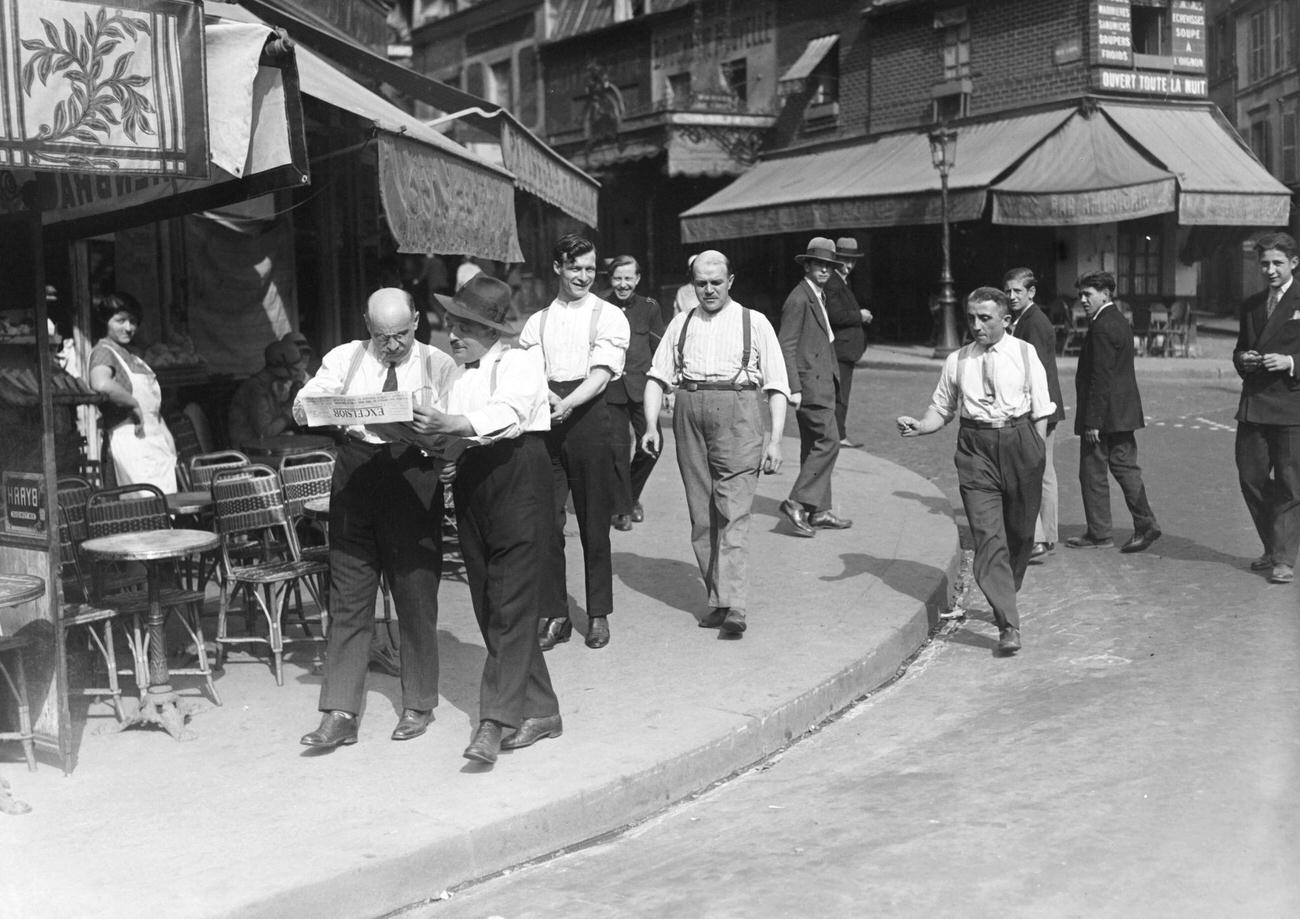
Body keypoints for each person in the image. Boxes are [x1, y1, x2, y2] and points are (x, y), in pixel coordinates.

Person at [410, 275, 562, 764]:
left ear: (493, 330)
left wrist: (451, 425)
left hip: (520, 476)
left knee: (513, 604)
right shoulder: (459, 373)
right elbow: (451, 436)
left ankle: (494, 721)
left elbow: (508, 414)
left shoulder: (520, 362)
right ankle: (542, 711)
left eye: (466, 325)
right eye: (452, 323)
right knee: (489, 602)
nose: (453, 334)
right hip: (475, 483)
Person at [294, 288, 454, 749]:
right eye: (382, 336)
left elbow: (459, 422)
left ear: (417, 322)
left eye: (401, 335)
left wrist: (433, 426)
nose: (392, 346)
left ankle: (418, 702)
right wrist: (325, 410)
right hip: (356, 474)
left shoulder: (437, 364)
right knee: (348, 597)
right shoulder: (345, 358)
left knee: (415, 596)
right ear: (368, 326)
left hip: (412, 475)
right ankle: (340, 712)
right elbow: (303, 404)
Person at [896, 287, 1056, 655]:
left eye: (985, 318)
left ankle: (1006, 588)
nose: (976, 325)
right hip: (974, 449)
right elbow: (942, 408)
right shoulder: (958, 360)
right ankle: (1008, 623)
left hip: (1020, 442)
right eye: (971, 318)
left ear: (1006, 320)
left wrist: (1035, 454)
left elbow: (1042, 409)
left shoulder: (1025, 354)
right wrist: (921, 426)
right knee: (989, 537)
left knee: (1019, 534)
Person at [642, 250, 789, 636]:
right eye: (701, 283)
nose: (708, 290)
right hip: (689, 411)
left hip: (738, 410)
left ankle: (735, 605)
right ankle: (718, 600)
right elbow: (658, 376)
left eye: (716, 282)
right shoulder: (681, 323)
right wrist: (652, 425)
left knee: (733, 511)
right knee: (702, 513)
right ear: (693, 284)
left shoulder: (754, 323)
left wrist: (775, 440)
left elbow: (776, 385)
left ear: (730, 282)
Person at [518, 234, 630, 651]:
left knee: (593, 522)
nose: (583, 276)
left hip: (588, 419)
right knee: (546, 522)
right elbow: (529, 370)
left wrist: (567, 402)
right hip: (547, 422)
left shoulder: (609, 316)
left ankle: (598, 613)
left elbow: (602, 373)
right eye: (574, 268)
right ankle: (556, 614)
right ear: (557, 268)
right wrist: (548, 398)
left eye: (589, 269)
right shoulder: (537, 321)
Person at [1066, 270, 1161, 553]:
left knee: (1092, 473)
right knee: (1125, 468)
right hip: (1122, 414)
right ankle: (1145, 523)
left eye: (1088, 294)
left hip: (1103, 417)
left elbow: (1101, 376)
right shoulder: (1117, 320)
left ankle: (1099, 534)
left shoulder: (1102, 326)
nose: (1082, 299)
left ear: (1106, 293)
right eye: (1080, 294)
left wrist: (1092, 421)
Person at [1233, 231, 1300, 584]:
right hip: (1255, 404)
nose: (1270, 270)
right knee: (1251, 478)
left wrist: (1290, 361)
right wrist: (1243, 358)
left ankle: (1283, 558)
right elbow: (1239, 349)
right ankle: (1275, 544)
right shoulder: (1252, 304)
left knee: (1290, 484)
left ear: (1294, 263)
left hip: (1291, 406)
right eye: (1264, 263)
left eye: (1277, 263)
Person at [778, 237, 851, 536]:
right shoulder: (799, 298)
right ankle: (797, 502)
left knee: (813, 446)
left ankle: (819, 511)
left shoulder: (816, 295)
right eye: (818, 264)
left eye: (829, 266)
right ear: (807, 265)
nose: (824, 270)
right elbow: (786, 345)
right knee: (828, 441)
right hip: (810, 385)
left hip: (821, 382)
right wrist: (793, 387)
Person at [87, 292, 179, 494]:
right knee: (143, 510)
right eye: (120, 320)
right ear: (105, 321)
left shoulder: (132, 356)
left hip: (155, 446)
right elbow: (100, 383)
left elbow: (153, 409)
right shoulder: (103, 352)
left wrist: (168, 440)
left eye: (133, 322)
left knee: (167, 511)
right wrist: (133, 403)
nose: (128, 328)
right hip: (131, 446)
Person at [1005, 268, 1065, 561]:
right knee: (1044, 472)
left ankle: (1039, 538)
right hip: (1044, 407)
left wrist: (1030, 410)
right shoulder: (1026, 320)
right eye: (1008, 291)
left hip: (1038, 409)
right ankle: (1047, 536)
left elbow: (1036, 373)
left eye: (1018, 291)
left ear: (1031, 292)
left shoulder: (1034, 323)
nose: (1011, 296)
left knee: (1033, 473)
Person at [603, 255, 666, 530]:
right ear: (610, 279)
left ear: (638, 279)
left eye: (628, 278)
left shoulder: (649, 308)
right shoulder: (601, 307)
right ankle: (623, 509)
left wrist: (666, 386)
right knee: (617, 451)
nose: (623, 284)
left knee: (654, 445)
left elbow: (659, 350)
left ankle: (630, 495)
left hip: (643, 389)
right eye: (618, 278)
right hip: (611, 390)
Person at [824, 237, 873, 449]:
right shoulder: (834, 282)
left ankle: (837, 433)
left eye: (852, 261)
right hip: (841, 349)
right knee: (840, 394)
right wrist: (859, 315)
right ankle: (839, 435)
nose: (849, 266)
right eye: (845, 261)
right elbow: (835, 314)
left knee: (841, 393)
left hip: (845, 349)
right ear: (837, 260)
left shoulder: (840, 281)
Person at [226, 339, 304, 448]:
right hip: (249, 454)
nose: (296, 376)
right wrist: (290, 406)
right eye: (295, 371)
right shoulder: (257, 388)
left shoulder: (267, 386)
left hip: (261, 449)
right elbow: (265, 433)